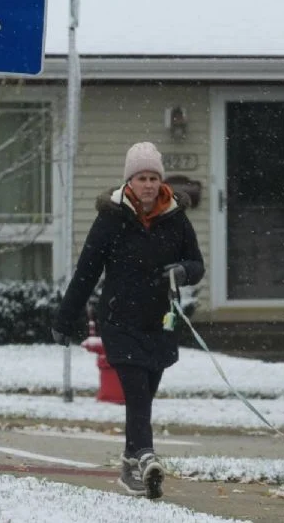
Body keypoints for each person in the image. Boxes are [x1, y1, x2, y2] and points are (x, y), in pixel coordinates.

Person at [51, 141, 204, 499]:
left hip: (160, 321)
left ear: (160, 181)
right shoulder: (111, 218)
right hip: (120, 320)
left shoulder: (175, 217)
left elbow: (197, 265)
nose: (148, 185)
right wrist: (64, 318)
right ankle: (147, 458)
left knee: (145, 396)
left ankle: (129, 463)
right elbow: (86, 272)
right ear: (129, 181)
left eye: (153, 177)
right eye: (141, 178)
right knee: (136, 393)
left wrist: (182, 271)